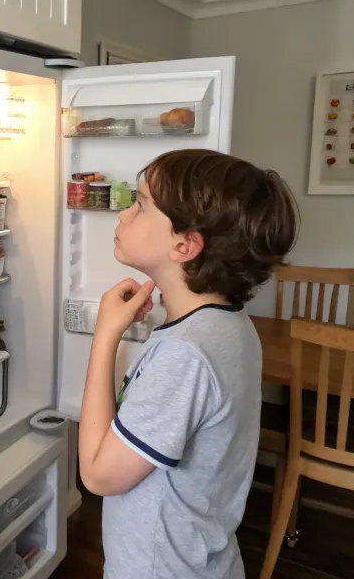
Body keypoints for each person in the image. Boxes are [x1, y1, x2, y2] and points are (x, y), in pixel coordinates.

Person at [78, 149, 298, 579]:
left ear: (184, 245)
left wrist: (105, 337)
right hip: (201, 559)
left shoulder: (187, 354)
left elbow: (99, 477)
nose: (123, 213)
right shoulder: (228, 324)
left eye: (140, 205)